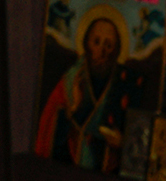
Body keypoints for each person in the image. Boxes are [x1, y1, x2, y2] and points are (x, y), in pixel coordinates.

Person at [34, 10, 143, 171]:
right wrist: (73, 109)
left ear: (117, 50)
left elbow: (139, 142)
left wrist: (122, 143)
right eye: (96, 42)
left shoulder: (126, 82)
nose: (102, 50)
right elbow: (47, 135)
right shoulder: (70, 82)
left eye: (108, 45)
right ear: (86, 43)